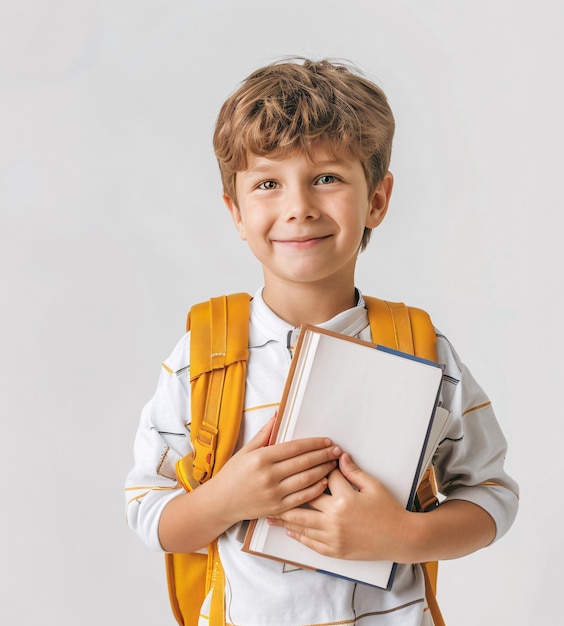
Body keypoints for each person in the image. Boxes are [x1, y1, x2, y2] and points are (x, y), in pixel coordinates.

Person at [125, 58, 519, 625]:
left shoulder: (421, 348)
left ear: (377, 200)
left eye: (328, 178)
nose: (299, 206)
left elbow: (492, 495)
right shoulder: (201, 357)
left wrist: (405, 534)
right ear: (235, 212)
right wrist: (227, 499)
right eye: (267, 183)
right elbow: (149, 512)